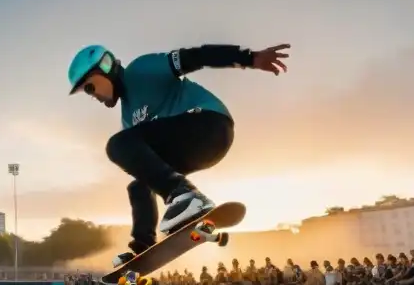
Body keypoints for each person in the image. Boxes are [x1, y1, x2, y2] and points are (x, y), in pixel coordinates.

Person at [68, 42, 290, 267]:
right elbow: (145, 163)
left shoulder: (141, 70)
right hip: (193, 147)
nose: (93, 96)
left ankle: (186, 196)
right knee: (139, 185)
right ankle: (142, 246)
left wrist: (249, 58)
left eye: (89, 88)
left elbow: (197, 56)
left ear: (104, 70)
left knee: (117, 145)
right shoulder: (127, 117)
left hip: (209, 124)